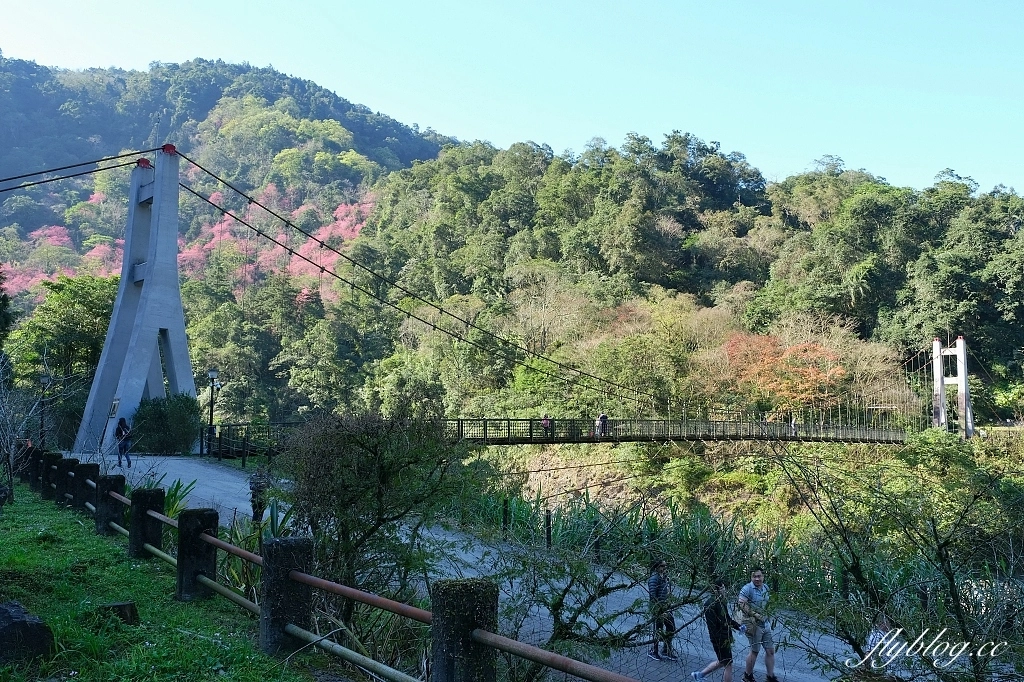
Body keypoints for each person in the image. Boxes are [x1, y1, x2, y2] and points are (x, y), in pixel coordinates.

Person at [692, 579, 745, 681]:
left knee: (723, 661)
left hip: (725, 637)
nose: (725, 590)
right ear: (718, 589)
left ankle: (699, 675)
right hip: (720, 639)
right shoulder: (710, 604)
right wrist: (719, 639)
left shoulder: (721, 601)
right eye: (723, 587)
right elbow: (712, 627)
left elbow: (727, 619)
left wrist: (738, 627)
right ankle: (699, 675)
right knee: (728, 665)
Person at [737, 567, 778, 682]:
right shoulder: (747, 588)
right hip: (753, 624)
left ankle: (770, 677)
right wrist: (756, 615)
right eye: (754, 576)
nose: (757, 578)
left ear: (763, 576)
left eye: (759, 576)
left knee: (770, 651)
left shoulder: (766, 588)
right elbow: (741, 604)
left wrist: (769, 616)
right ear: (751, 577)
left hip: (765, 624)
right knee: (755, 651)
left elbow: (768, 604)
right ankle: (747, 676)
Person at [647, 560, 679, 661]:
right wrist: (659, 610)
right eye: (662, 566)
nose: (665, 568)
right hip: (659, 609)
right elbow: (653, 596)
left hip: (666, 608)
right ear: (656, 566)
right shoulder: (654, 579)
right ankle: (654, 651)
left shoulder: (664, 578)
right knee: (658, 630)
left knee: (671, 628)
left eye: (666, 566)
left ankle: (666, 650)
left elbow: (666, 593)